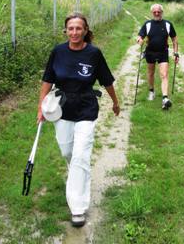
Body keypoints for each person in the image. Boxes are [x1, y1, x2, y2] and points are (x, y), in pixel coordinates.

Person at [37, 12, 120, 227]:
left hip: (86, 108)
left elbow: (106, 81)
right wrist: (41, 108)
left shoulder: (94, 53)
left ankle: (78, 208)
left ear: (85, 31)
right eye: (70, 28)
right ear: (66, 31)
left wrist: (115, 101)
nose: (74, 32)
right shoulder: (58, 52)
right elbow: (47, 80)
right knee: (68, 152)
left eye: (78, 28)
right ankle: (77, 175)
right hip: (62, 109)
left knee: (81, 155)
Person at [136, 4, 179, 109]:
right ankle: (151, 91)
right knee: (150, 73)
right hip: (150, 52)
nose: (156, 13)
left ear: (162, 12)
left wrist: (176, 52)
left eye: (158, 11)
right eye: (154, 12)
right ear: (152, 13)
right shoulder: (148, 24)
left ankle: (165, 98)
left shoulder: (168, 24)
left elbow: (174, 39)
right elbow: (140, 35)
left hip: (163, 52)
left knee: (164, 74)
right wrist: (140, 40)